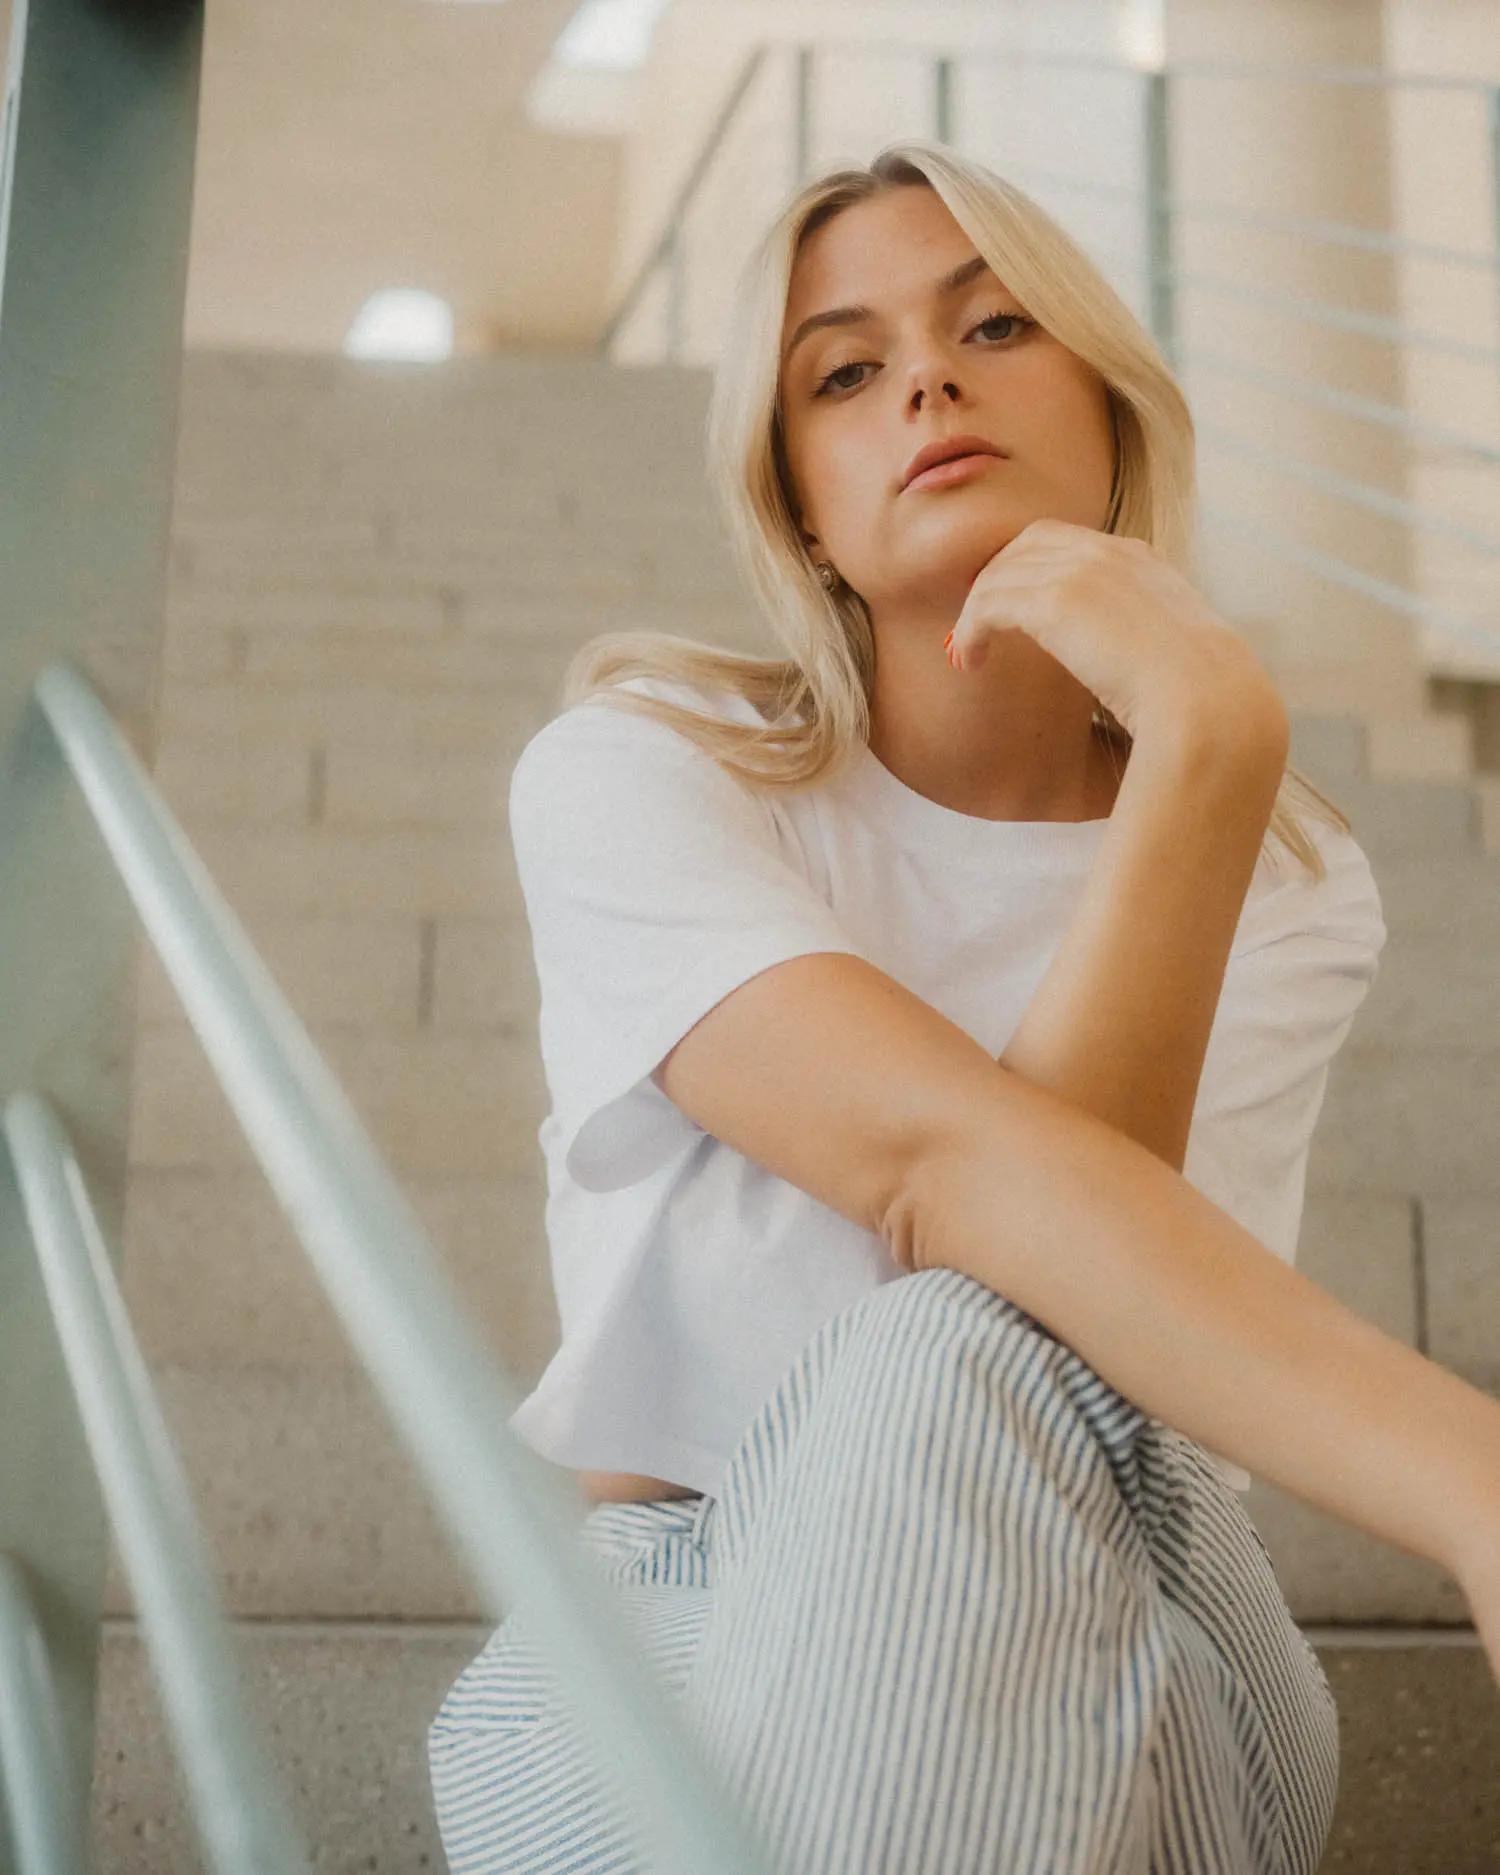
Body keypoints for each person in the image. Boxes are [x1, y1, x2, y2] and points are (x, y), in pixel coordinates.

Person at [427, 141, 1500, 1875]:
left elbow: (1040, 1339)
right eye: (844, 371)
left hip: (1141, 1589)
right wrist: (1472, 1483)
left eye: (995, 325)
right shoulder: (641, 773)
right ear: (800, 509)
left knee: (957, 1365)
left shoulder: (1296, 881)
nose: (926, 376)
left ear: (1111, 414)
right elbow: (950, 1184)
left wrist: (1203, 758)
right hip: (673, 1622)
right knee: (926, 1349)